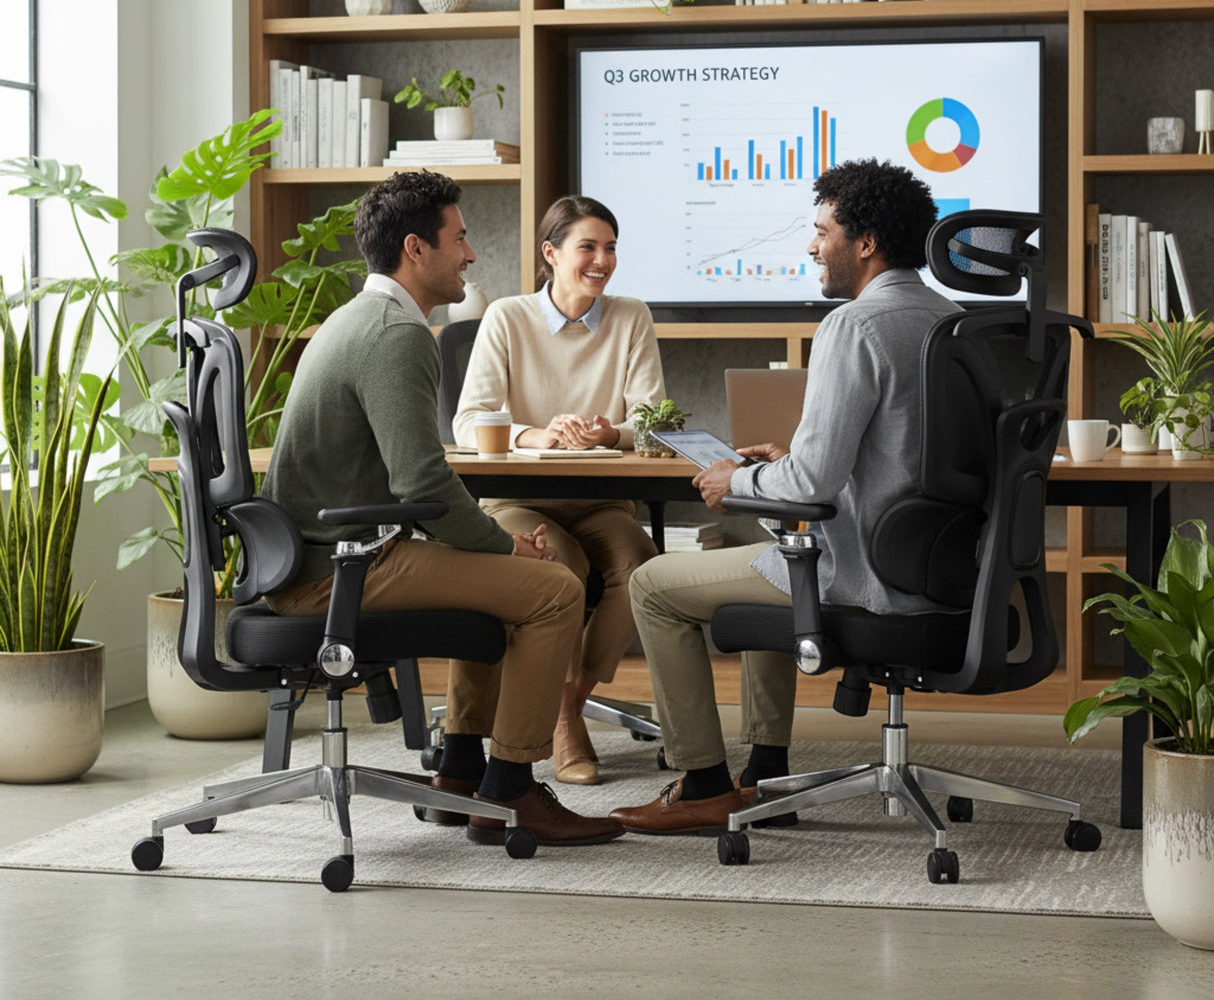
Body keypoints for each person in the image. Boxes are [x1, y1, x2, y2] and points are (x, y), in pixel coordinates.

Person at [261, 170, 623, 848]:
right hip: (337, 569)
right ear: (415, 248)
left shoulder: (357, 318)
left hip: (323, 557)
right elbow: (421, 480)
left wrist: (484, 542)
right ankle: (512, 788)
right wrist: (502, 544)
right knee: (553, 591)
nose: (470, 254)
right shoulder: (398, 334)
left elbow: (415, 485)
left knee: (499, 586)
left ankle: (460, 772)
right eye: (458, 238)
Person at [607, 158, 959, 835]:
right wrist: (787, 465)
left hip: (860, 575)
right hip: (938, 573)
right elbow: (889, 456)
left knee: (651, 584)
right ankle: (765, 774)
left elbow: (812, 486)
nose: (810, 246)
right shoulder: (952, 322)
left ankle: (704, 782)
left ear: (864, 244)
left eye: (821, 230)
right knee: (769, 546)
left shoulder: (855, 327)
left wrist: (732, 479)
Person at [453, 195, 666, 785]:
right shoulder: (508, 317)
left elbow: (653, 421)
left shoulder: (631, 317)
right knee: (561, 571)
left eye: (611, 247)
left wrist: (610, 431)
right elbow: (468, 421)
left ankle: (569, 702)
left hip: (600, 500)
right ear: (551, 254)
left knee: (642, 569)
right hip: (520, 500)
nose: (603, 260)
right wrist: (534, 433)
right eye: (588, 247)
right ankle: (561, 726)